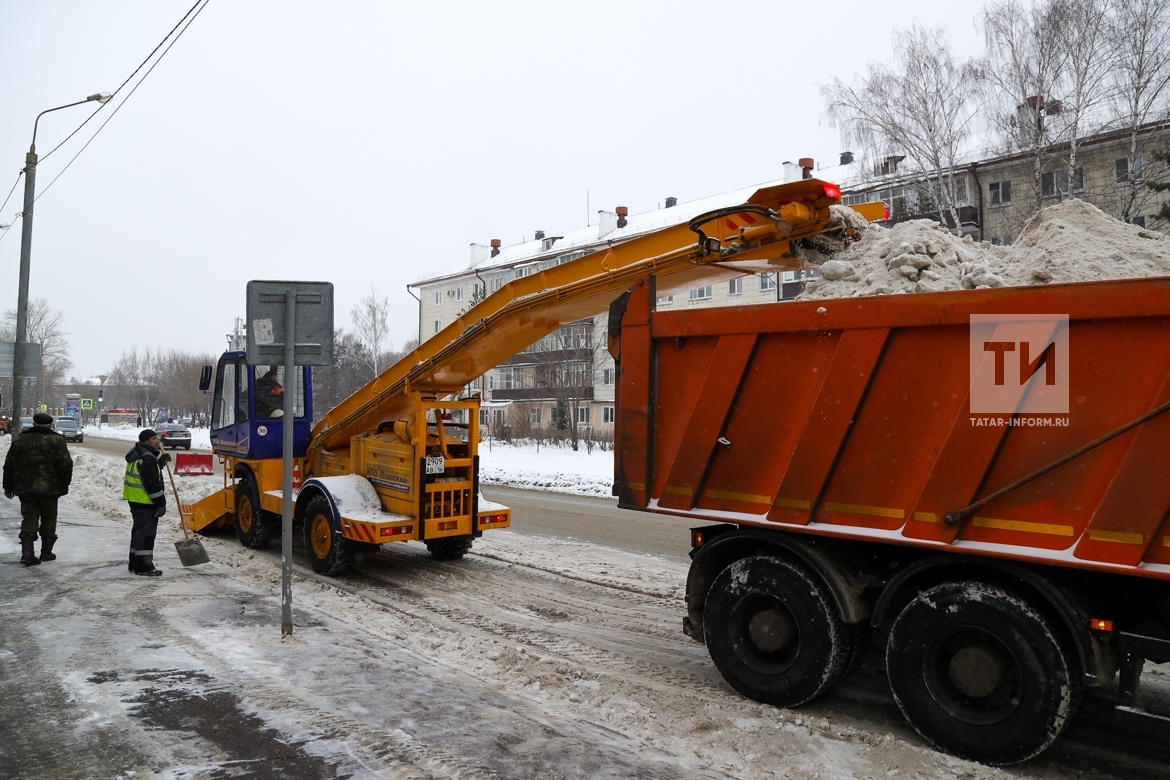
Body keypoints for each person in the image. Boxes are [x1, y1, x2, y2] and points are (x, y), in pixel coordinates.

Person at [3, 412, 73, 566]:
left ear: (34, 424)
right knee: (49, 518)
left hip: (25, 488)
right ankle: (46, 552)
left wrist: (8, 486)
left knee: (29, 518)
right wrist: (64, 484)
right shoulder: (56, 441)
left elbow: (9, 464)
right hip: (50, 488)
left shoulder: (21, 439)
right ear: (50, 425)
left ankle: (27, 553)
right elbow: (65, 464)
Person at [123, 429, 171, 577]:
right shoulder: (147, 458)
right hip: (145, 501)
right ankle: (144, 567)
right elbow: (152, 484)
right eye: (153, 438)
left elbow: (143, 473)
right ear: (146, 441)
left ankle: (134, 563)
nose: (157, 441)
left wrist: (159, 463)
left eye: (157, 438)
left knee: (139, 532)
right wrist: (161, 503)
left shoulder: (137, 454)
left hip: (135, 499)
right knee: (146, 535)